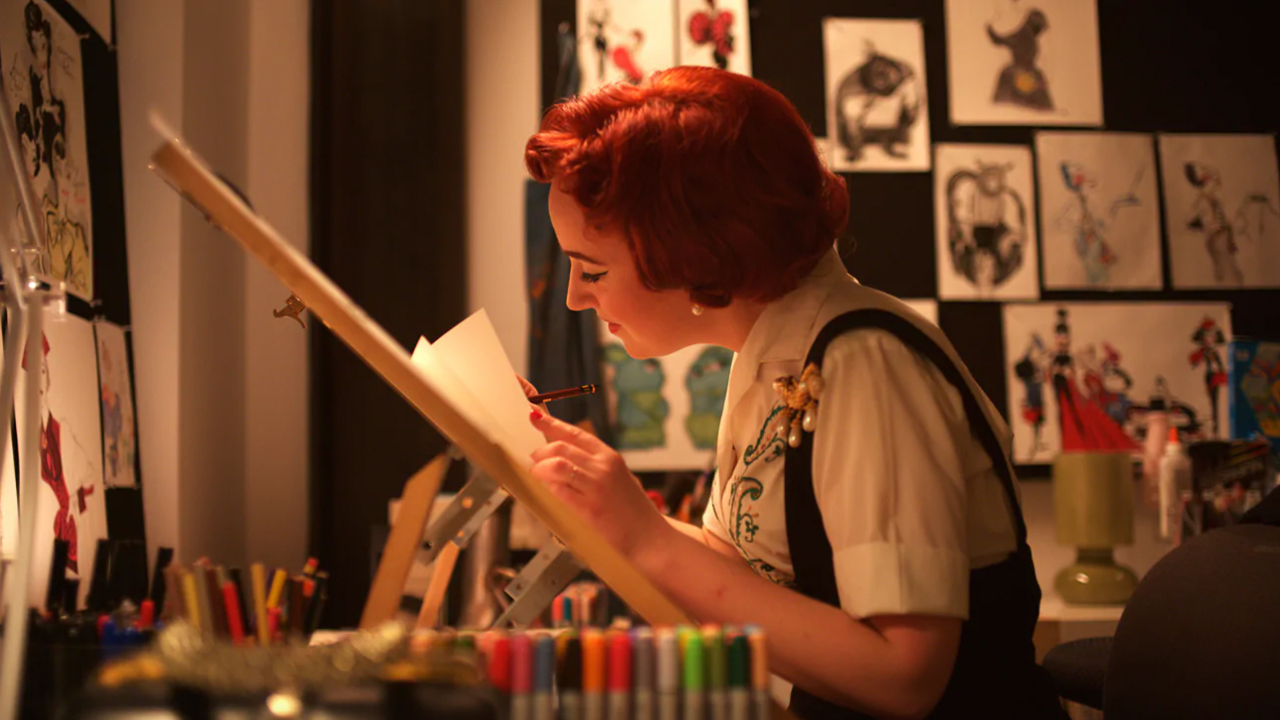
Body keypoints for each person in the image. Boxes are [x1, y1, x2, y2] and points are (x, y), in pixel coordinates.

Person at [521, 66, 1065, 719]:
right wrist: (605, 514)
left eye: (591, 270)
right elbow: (741, 568)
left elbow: (905, 677)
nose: (575, 298)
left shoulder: (865, 366)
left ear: (692, 251)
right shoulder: (773, 355)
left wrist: (645, 538)